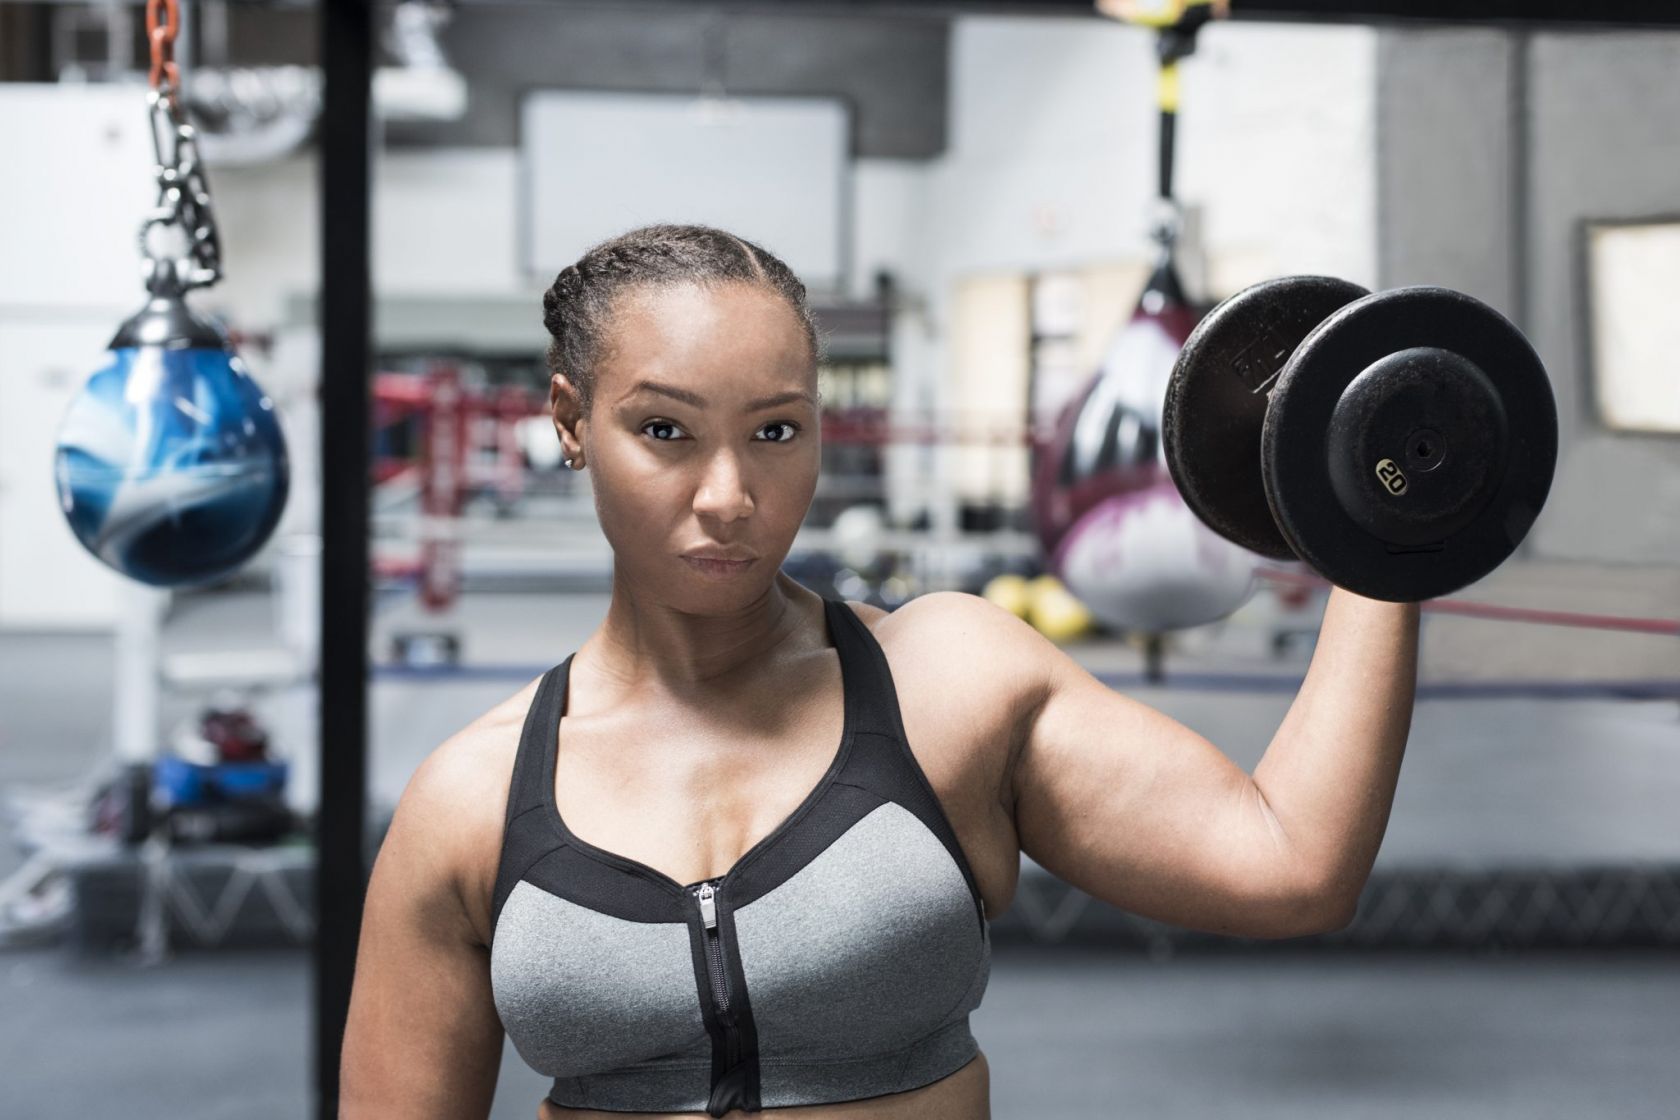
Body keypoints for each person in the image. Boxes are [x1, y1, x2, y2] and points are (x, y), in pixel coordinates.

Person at [340, 224, 1419, 1119]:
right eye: (664, 429)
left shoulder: (948, 682)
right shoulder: (472, 800)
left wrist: (1384, 525)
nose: (729, 493)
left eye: (775, 430)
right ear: (573, 423)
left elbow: (1292, 865)